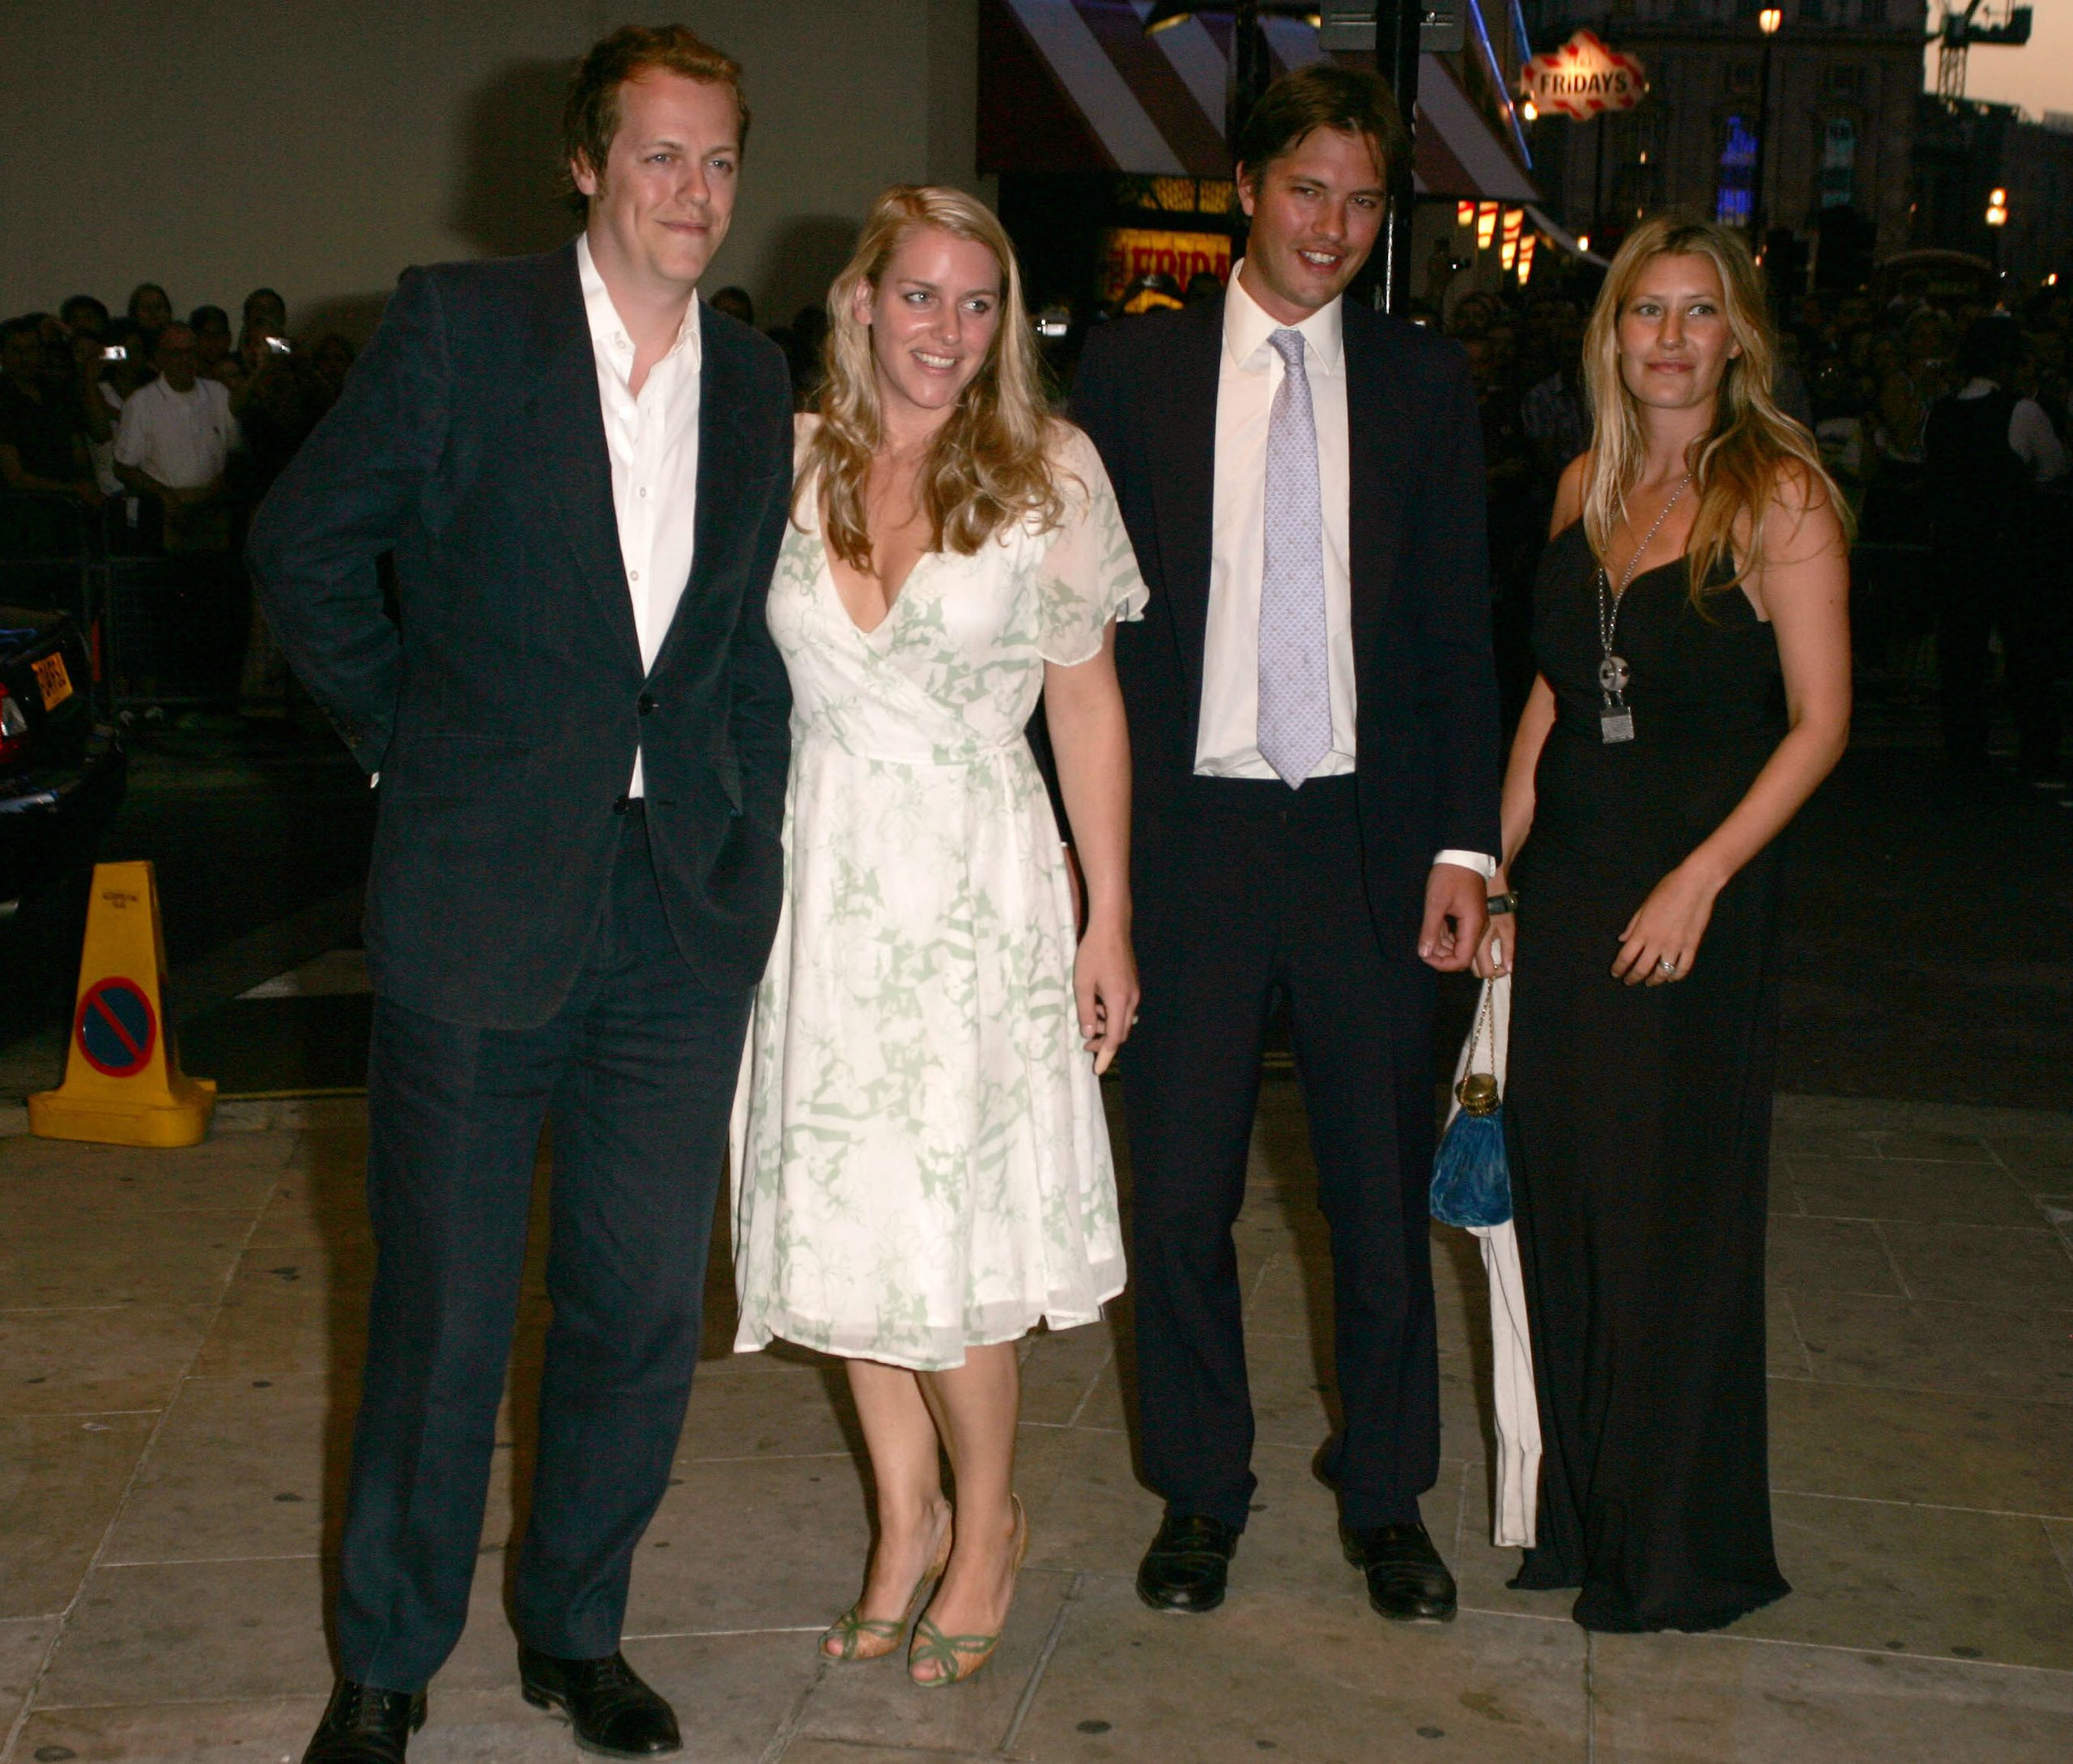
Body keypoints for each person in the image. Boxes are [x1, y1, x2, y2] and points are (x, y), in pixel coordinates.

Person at [249, 24, 793, 1762]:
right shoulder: (459, 331)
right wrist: (410, 753)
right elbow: (305, 549)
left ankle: (573, 1626)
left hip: (670, 911)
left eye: (716, 162)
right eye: (659, 157)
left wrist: (743, 827)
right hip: (480, 895)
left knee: (637, 1307)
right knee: (442, 1310)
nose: (693, 193)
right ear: (584, 162)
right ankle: (388, 1661)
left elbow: (734, 657)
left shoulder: (757, 379)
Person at [1070, 62, 1500, 1625]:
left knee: (1379, 1204)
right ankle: (1202, 1486)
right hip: (1192, 840)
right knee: (1178, 1194)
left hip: (1371, 844)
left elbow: (1458, 622)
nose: (1332, 224)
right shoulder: (1127, 376)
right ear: (1246, 186)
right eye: (1307, 188)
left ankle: (1386, 1494)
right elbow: (1085, 642)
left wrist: (1466, 848)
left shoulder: (1421, 382)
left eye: (1364, 198)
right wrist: (1088, 866)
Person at [732, 185, 1143, 1688]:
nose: (950, 332)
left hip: (978, 885)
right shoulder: (783, 461)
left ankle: (988, 1527)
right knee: (849, 1210)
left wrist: (1111, 917)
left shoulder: (1049, 472)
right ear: (861, 302)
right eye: (921, 297)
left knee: (956, 1231)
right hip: (823, 881)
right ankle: (902, 1521)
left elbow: (1088, 702)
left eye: (981, 304)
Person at [1478, 214, 1851, 1634]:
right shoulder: (1587, 477)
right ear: (1613, 333)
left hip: (1697, 895)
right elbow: (1557, 691)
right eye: (1648, 312)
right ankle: (1582, 1513)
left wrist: (1702, 878)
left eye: (1700, 313)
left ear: (1740, 334)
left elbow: (1821, 724)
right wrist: (1494, 864)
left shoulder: (1784, 493)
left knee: (1662, 1215)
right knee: (1562, 1194)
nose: (1672, 339)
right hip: (1571, 882)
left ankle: (1675, 1541)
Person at [1924, 315, 2069, 784]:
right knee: (2027, 653)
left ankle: (1964, 751)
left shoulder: (1940, 411)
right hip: (2010, 549)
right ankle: (2038, 750)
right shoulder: (2020, 411)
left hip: (1956, 550)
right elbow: (2052, 466)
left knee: (1962, 656)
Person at [113, 322, 238, 548]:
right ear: (160, 357)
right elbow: (123, 467)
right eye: (175, 353)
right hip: (164, 514)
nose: (183, 360)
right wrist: (166, 497)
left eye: (189, 352)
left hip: (213, 508)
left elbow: (236, 451)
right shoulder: (141, 403)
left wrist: (216, 489)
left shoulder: (218, 394)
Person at [0, 315, 100, 507]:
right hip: (18, 509)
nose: (23, 358)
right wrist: (74, 489)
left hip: (69, 505)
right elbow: (14, 476)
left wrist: (87, 487)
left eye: (30, 349)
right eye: (15, 350)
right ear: (3, 355)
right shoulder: (4, 398)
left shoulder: (57, 392)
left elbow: (79, 449)